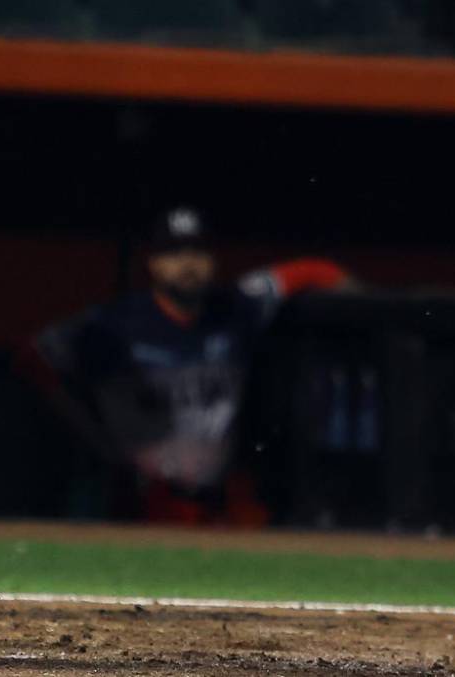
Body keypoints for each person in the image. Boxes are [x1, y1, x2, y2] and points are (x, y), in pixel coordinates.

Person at [24, 207, 348, 524]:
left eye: (198, 250)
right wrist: (92, 433)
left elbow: (314, 270)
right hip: (143, 499)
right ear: (153, 262)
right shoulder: (116, 323)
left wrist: (361, 295)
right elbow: (33, 356)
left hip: (218, 498)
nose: (188, 262)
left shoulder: (235, 305)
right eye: (174, 252)